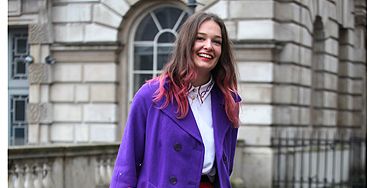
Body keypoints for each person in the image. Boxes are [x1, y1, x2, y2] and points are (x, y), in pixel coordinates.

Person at [110, 11, 241, 188]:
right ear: (186, 43)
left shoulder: (228, 101)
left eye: (216, 41)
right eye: (200, 38)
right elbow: (127, 162)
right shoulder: (151, 95)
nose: (208, 46)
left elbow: (226, 165)